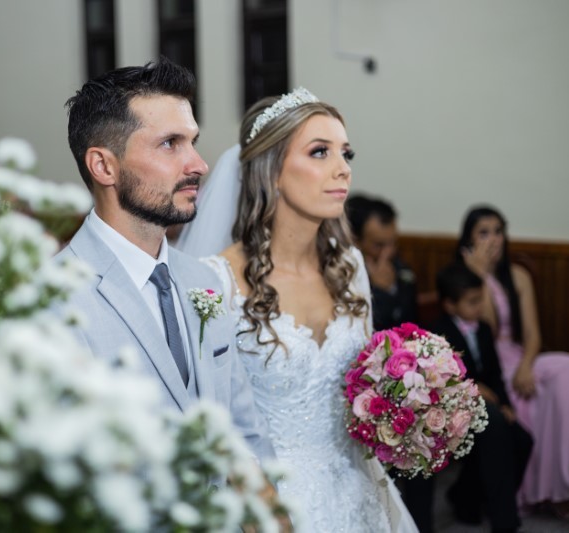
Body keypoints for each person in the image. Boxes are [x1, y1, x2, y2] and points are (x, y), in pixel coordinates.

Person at [177, 88, 418, 532]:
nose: (342, 168)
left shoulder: (351, 266)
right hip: (268, 500)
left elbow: (366, 382)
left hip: (358, 487)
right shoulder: (216, 280)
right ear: (271, 171)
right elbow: (208, 416)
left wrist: (408, 409)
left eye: (346, 153)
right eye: (320, 152)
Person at [55, 59, 275, 464]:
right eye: (170, 144)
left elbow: (245, 432)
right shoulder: (56, 300)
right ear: (103, 166)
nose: (199, 165)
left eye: (192, 141)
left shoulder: (203, 279)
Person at [457, 205, 569, 520]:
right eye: (484, 233)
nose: (494, 240)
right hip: (490, 364)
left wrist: (527, 365)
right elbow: (487, 332)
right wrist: (481, 275)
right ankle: (541, 490)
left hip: (520, 356)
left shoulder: (518, 276)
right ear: (469, 240)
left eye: (498, 231)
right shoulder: (463, 280)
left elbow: (532, 334)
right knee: (531, 396)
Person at [411, 262, 533, 533]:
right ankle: (505, 522)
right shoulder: (438, 334)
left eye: (481, 299)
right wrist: (474, 388)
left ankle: (467, 496)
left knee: (523, 440)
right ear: (450, 305)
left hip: (488, 403)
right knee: (496, 427)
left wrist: (505, 403)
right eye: (472, 302)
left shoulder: (484, 329)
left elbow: (495, 374)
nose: (479, 307)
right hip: (454, 407)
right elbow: (441, 380)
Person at [346, 194, 419, 331]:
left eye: (393, 242)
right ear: (355, 241)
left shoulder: (403, 270)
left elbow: (411, 323)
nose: (389, 252)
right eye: (379, 245)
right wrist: (380, 291)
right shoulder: (345, 276)